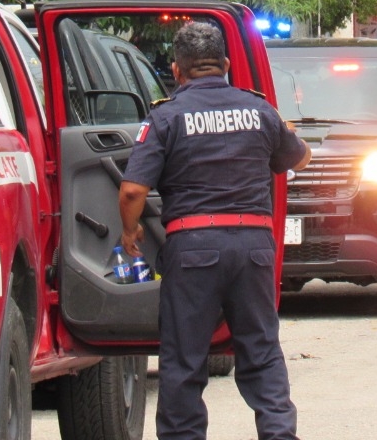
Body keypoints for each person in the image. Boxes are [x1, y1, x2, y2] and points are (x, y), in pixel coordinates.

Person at [119, 22, 312, 440]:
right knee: (261, 351)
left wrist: (128, 233)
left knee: (184, 360)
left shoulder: (166, 116)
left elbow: (133, 189)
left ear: (177, 70)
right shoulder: (260, 110)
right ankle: (279, 433)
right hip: (254, 247)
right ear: (225, 64)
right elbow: (298, 159)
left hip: (193, 249)